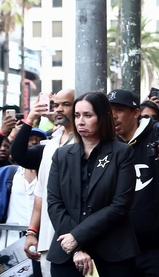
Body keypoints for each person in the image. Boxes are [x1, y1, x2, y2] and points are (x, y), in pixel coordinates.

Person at [46, 91, 138, 277]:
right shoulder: (61, 155)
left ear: (103, 117)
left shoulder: (122, 153)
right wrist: (76, 247)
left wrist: (77, 237)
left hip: (112, 253)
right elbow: (55, 204)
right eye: (77, 115)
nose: (80, 121)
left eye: (88, 115)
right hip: (67, 254)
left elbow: (120, 206)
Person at [108, 89, 159, 277]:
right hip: (119, 248)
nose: (113, 116)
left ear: (136, 113)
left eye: (119, 110)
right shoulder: (107, 145)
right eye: (109, 111)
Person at [15, 89, 76, 277]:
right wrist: (32, 232)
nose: (58, 109)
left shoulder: (87, 143)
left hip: (76, 236)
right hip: (48, 236)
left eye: (66, 104)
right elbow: (40, 193)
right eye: (56, 104)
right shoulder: (51, 144)